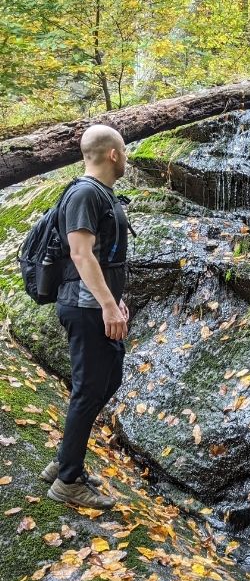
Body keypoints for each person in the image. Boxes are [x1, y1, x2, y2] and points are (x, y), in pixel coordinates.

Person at [41, 124, 131, 509]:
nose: (126, 157)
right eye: (124, 151)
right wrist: (108, 305)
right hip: (85, 307)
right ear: (113, 154)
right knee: (89, 389)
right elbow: (81, 254)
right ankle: (66, 481)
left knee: (109, 378)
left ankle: (66, 460)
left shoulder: (101, 194)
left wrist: (115, 300)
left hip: (99, 304)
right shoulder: (83, 193)